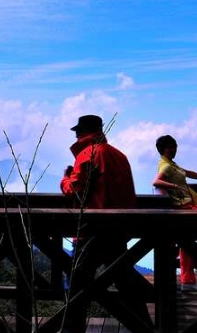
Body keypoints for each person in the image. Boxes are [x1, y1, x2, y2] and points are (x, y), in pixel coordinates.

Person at [60, 115, 152, 333]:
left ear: (81, 132)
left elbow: (75, 189)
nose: (75, 135)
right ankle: (145, 328)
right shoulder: (119, 155)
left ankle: (71, 330)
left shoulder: (88, 154)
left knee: (76, 285)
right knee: (125, 281)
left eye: (77, 131)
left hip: (92, 230)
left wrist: (65, 179)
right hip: (118, 229)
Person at [152, 135, 197, 292]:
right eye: (170, 147)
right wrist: (174, 186)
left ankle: (191, 275)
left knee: (188, 242)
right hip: (182, 209)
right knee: (191, 240)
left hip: (186, 207)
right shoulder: (166, 166)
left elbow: (187, 173)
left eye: (175, 146)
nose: (174, 150)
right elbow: (156, 181)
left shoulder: (172, 165)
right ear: (163, 150)